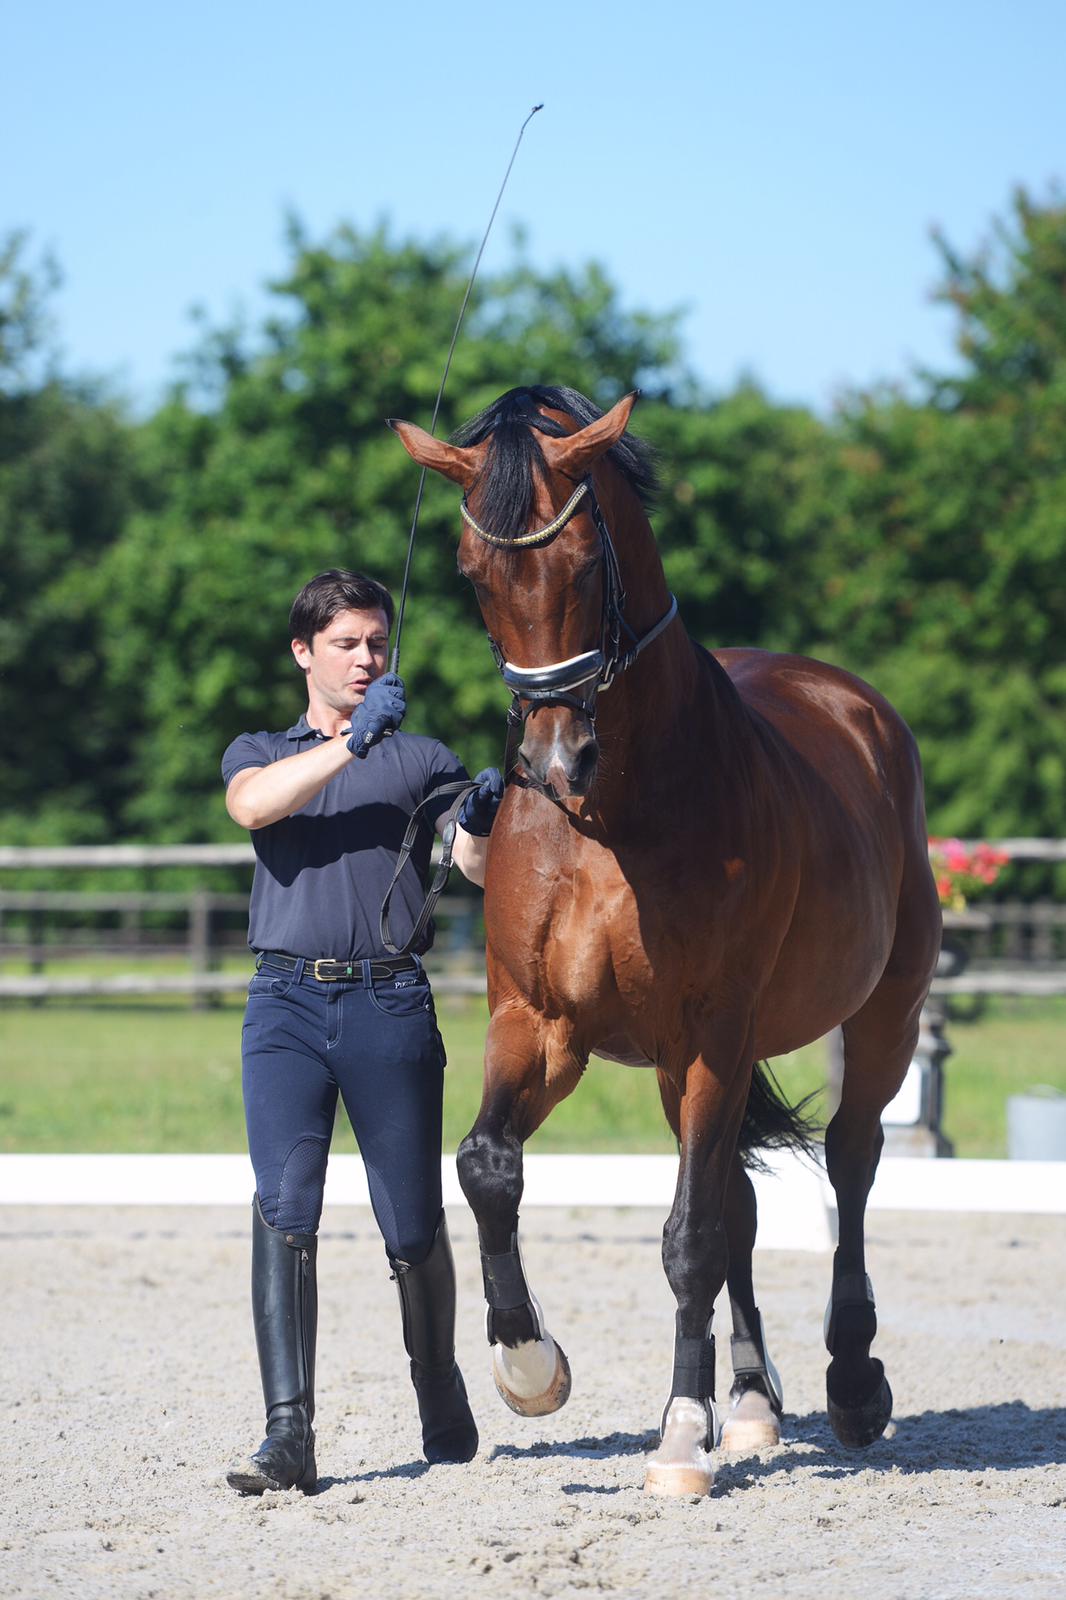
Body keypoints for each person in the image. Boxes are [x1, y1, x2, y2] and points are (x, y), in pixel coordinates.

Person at [221, 569, 503, 1495]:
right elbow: (256, 807)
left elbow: (473, 864)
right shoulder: (260, 748)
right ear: (304, 652)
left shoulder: (420, 758)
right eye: (346, 643)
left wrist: (491, 818)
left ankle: (438, 1387)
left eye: (376, 643)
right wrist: (350, 746)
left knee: (410, 1222)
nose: (365, 658)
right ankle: (287, 1435)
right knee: (284, 1207)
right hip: (286, 1009)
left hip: (389, 1005)